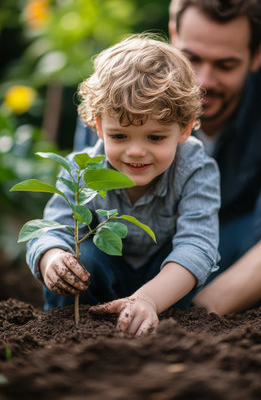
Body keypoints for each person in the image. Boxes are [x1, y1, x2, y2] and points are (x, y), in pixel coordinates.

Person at [74, 0, 261, 315]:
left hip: (223, 262)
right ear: (173, 34)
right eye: (192, 57)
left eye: (225, 65)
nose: (203, 81)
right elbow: (82, 212)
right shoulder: (121, 89)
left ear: (257, 55)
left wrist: (185, 320)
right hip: (126, 255)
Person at [26, 34, 221, 335]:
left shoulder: (195, 168)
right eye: (119, 136)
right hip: (97, 286)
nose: (136, 152)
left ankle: (152, 324)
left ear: (184, 129)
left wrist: (148, 299)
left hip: (163, 285)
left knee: (190, 269)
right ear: (100, 127)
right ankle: (67, 332)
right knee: (81, 256)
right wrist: (51, 257)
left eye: (155, 137)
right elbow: (51, 228)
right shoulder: (82, 169)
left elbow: (198, 245)